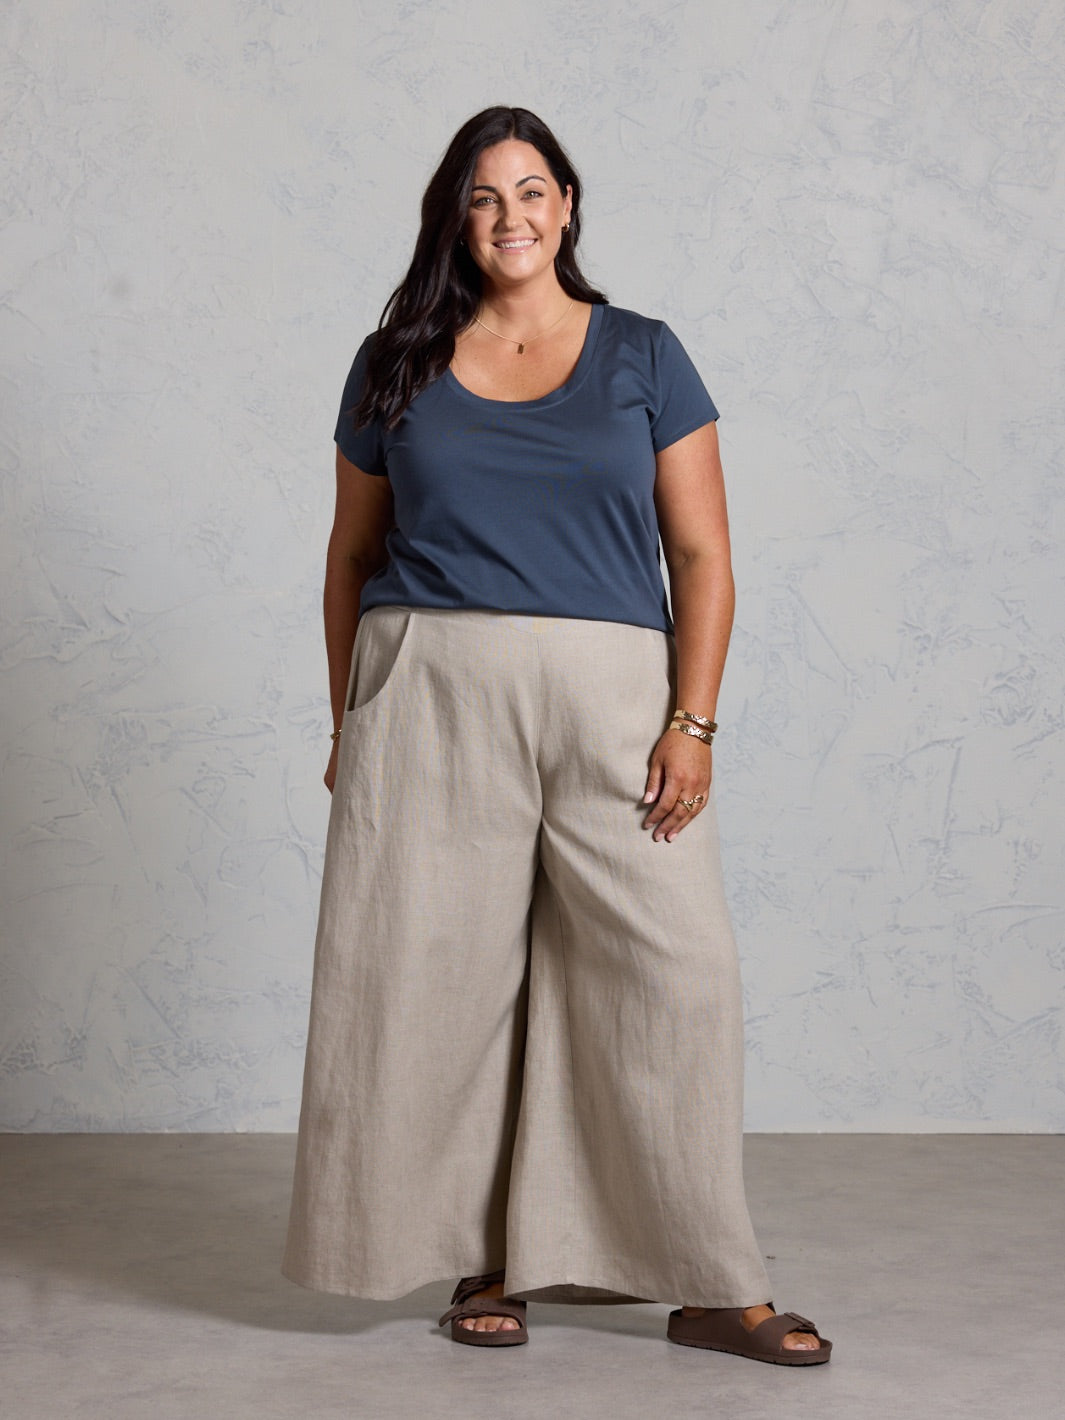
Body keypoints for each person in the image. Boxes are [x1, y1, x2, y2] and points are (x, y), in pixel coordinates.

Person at [282, 105, 831, 1366]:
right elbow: (350, 554)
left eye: (534, 192)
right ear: (455, 219)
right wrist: (347, 720)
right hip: (431, 684)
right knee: (436, 979)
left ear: (569, 206)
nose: (512, 216)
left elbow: (703, 555)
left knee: (675, 978)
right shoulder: (394, 364)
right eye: (485, 198)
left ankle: (706, 1278)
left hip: (615, 695)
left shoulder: (643, 353)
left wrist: (693, 722)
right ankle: (489, 1263)